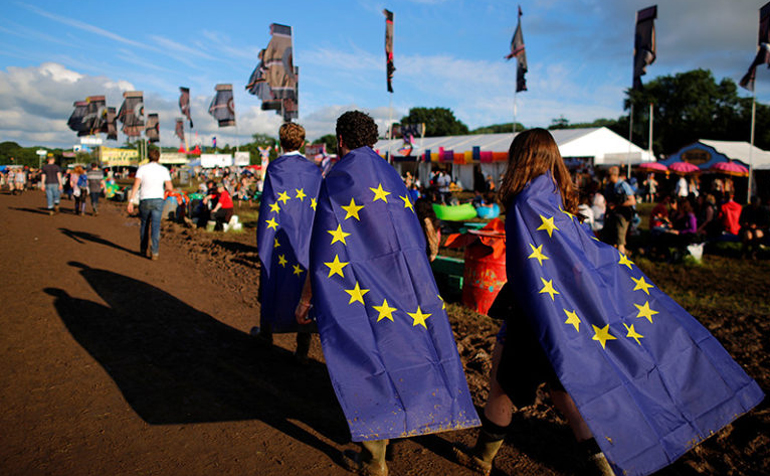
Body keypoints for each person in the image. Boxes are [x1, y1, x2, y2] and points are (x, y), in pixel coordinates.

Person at [454, 128, 763, 476]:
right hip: (562, 314)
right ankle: (601, 470)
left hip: (536, 314)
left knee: (504, 383)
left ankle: (482, 458)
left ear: (522, 157)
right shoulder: (556, 197)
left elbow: (534, 265)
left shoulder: (527, 201)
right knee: (563, 391)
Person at [296, 111, 479, 476]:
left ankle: (374, 460)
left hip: (359, 288)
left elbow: (323, 247)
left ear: (340, 140)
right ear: (373, 140)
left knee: (363, 358)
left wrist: (306, 299)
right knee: (404, 351)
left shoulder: (339, 177)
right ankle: (396, 435)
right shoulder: (391, 176)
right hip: (405, 285)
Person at [254, 122, 323, 364]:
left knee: (273, 274)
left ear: (280, 142)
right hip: (305, 237)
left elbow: (267, 207)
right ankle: (302, 346)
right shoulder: (314, 171)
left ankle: (266, 333)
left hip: (278, 236)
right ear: (303, 143)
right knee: (303, 281)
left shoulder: (274, 168)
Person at [127, 149, 172, 260]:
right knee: (156, 227)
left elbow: (136, 185)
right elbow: (169, 187)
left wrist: (131, 201)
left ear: (148, 157)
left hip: (145, 199)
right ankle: (155, 251)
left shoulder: (142, 169)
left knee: (144, 225)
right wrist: (165, 192)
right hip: (158, 200)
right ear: (159, 157)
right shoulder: (164, 170)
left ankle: (143, 249)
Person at [601, 166, 636, 255]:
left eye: (609, 175)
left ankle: (622, 263)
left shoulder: (623, 185)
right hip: (612, 215)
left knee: (620, 240)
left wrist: (617, 204)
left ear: (615, 175)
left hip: (622, 215)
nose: (607, 177)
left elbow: (632, 201)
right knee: (610, 238)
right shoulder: (609, 187)